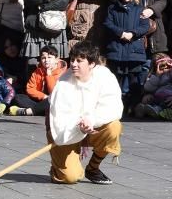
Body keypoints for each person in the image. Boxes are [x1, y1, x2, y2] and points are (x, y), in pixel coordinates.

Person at [46, 41, 123, 185]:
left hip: (92, 127)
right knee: (70, 178)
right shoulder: (63, 84)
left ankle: (93, 168)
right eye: (72, 60)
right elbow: (59, 119)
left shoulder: (105, 77)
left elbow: (113, 107)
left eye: (79, 61)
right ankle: (58, 167)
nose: (74, 64)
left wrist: (91, 120)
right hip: (64, 132)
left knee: (114, 127)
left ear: (92, 64)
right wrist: (79, 125)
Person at [103, 0, 152, 108]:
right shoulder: (113, 8)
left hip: (134, 51)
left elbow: (145, 26)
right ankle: (114, 106)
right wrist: (121, 33)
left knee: (134, 79)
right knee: (115, 81)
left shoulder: (139, 9)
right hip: (117, 50)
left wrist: (133, 33)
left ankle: (133, 106)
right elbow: (108, 23)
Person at [11, 46, 67, 116]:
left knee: (54, 100)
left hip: (56, 101)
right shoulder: (38, 71)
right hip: (42, 100)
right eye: (43, 58)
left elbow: (54, 93)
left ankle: (30, 111)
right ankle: (42, 110)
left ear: (56, 59)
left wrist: (49, 75)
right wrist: (43, 96)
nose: (46, 60)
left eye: (49, 57)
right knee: (18, 98)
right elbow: (30, 89)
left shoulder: (63, 73)